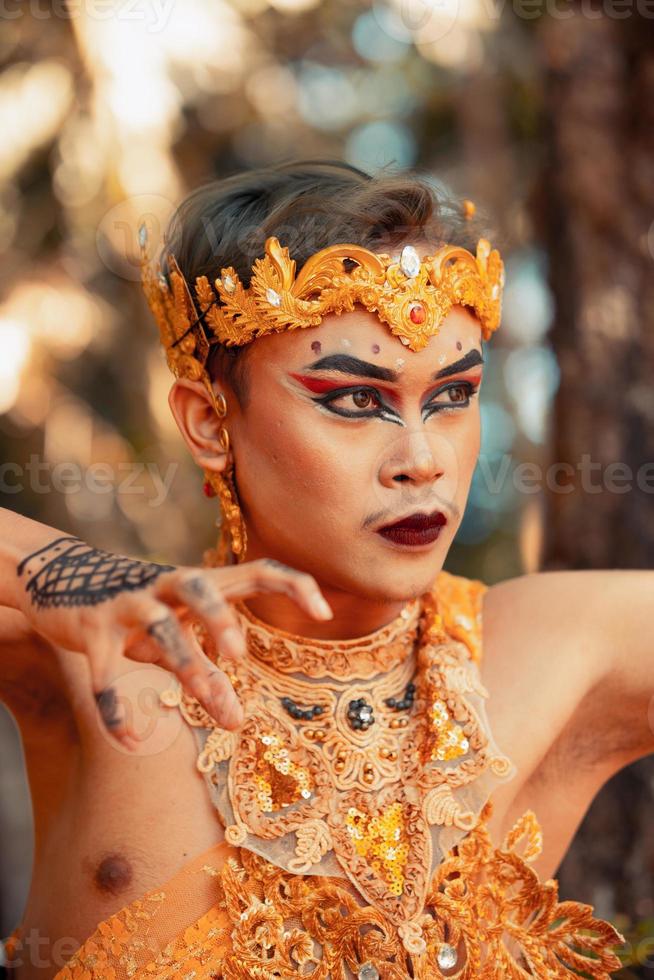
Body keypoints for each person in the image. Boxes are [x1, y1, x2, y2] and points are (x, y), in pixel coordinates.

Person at [0, 159, 651, 979]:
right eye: (354, 401)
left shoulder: (566, 650)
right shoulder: (96, 662)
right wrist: (47, 567)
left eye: (452, 396)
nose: (423, 460)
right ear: (208, 422)